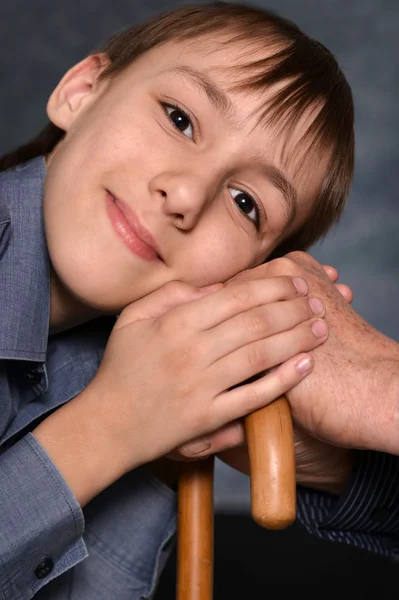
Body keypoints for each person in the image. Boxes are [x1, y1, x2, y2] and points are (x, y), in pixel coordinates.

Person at [0, 2, 358, 598]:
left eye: (246, 204)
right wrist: (112, 426)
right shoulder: (133, 402)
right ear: (81, 91)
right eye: (179, 118)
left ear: (247, 273)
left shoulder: (155, 375)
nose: (186, 194)